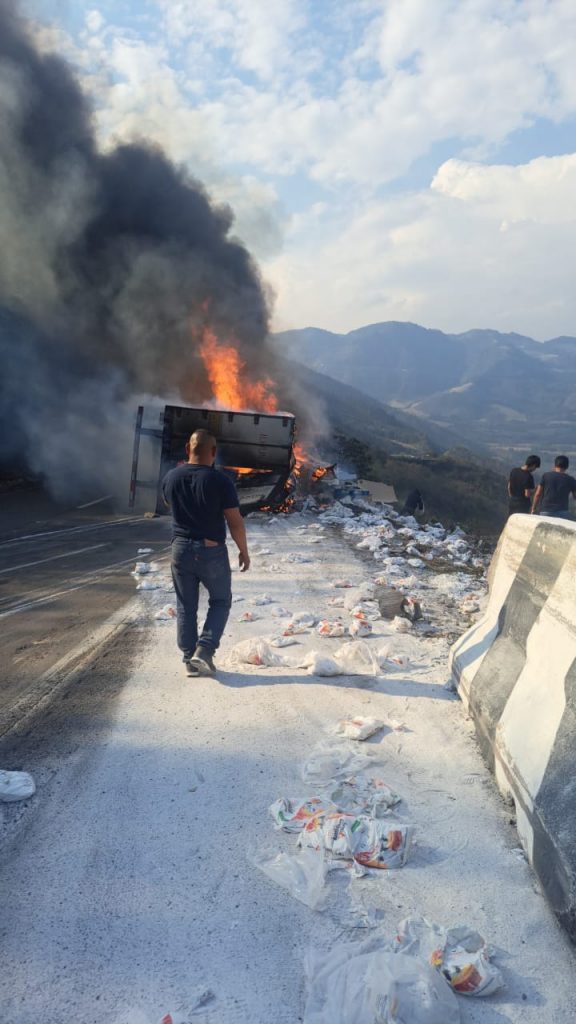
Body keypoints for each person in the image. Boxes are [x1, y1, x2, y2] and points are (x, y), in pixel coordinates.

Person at [162, 429, 250, 677]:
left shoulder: (171, 477)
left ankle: (189, 660)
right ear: (213, 452)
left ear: (187, 449)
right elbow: (235, 522)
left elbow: (169, 503)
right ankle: (205, 650)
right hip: (211, 550)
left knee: (186, 606)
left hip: (180, 549)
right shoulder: (221, 481)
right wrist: (243, 551)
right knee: (220, 601)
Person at [531, 455, 576, 520]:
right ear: (567, 466)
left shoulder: (546, 476)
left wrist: (533, 508)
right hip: (563, 512)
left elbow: (538, 494)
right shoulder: (571, 479)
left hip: (546, 511)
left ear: (555, 465)